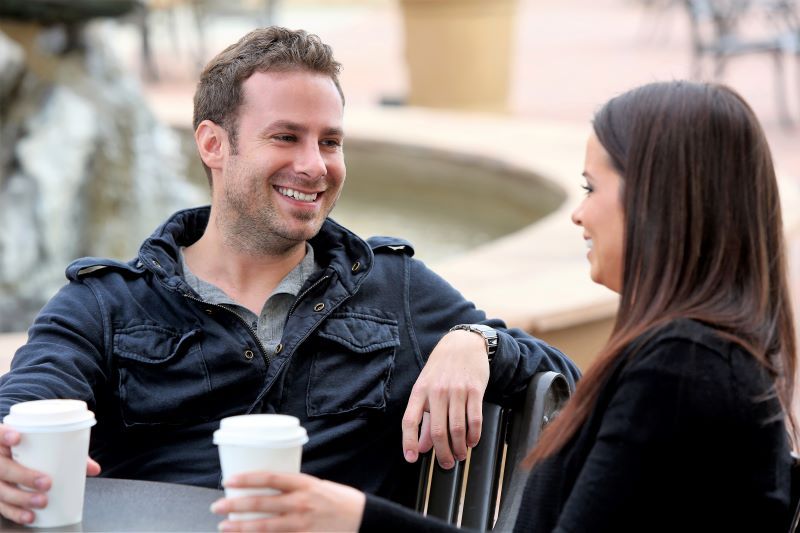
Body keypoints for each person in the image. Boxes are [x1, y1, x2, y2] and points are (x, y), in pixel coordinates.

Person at [0, 27, 579, 526]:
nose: (314, 165)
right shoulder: (105, 305)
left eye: (330, 142)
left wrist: (477, 341)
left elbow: (569, 384)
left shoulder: (393, 287)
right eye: (286, 137)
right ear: (213, 144)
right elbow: (25, 404)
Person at [208, 80, 797, 532]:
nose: (578, 213)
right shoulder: (702, 356)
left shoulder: (682, 367)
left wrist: (357, 517)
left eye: (592, 188)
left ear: (660, 199)